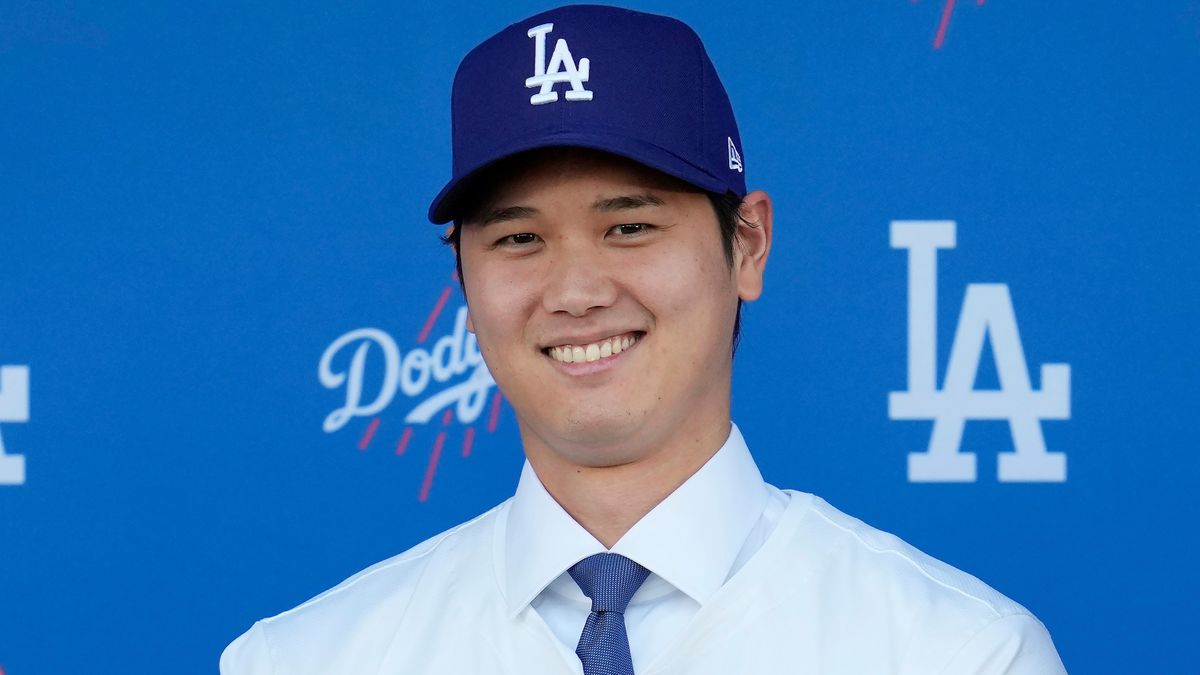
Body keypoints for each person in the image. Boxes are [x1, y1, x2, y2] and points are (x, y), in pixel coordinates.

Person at [221, 5, 1067, 673]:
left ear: (748, 244)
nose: (578, 291)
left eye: (629, 225)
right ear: (465, 287)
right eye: (519, 239)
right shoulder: (303, 660)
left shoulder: (958, 655)